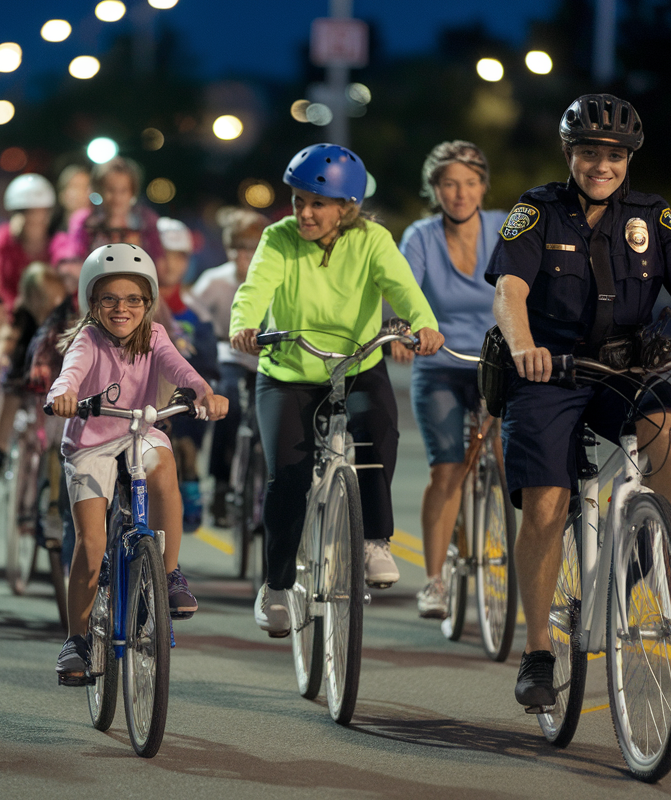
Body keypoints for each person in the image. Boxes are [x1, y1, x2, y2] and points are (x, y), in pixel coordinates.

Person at [486, 94, 671, 709]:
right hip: (548, 371)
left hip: (625, 367)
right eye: (587, 153)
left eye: (612, 155)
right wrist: (524, 347)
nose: (599, 165)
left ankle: (649, 545)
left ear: (627, 158)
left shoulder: (652, 216)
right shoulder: (536, 211)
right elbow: (509, 290)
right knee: (547, 507)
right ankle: (538, 653)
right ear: (569, 155)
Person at [230, 144, 443, 637]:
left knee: (380, 427)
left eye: (317, 203)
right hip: (287, 371)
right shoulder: (278, 238)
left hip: (355, 363)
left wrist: (424, 325)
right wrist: (244, 325)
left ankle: (374, 540)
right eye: (298, 200)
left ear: (346, 207)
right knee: (288, 475)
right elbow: (255, 288)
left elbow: (405, 289)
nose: (304, 212)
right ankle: (278, 587)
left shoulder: (372, 240)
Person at [47, 244, 227, 682]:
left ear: (148, 303)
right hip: (90, 442)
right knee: (90, 547)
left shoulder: (156, 335)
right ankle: (77, 639)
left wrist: (203, 392)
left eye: (133, 300)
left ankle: (169, 575)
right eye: (109, 299)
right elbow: (70, 372)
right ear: (92, 302)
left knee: (164, 463)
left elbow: (180, 369)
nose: (121, 308)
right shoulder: (88, 339)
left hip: (139, 433)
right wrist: (61, 396)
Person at [393, 141, 508, 619]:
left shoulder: (506, 227)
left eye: (469, 183)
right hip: (440, 363)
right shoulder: (420, 236)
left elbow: (530, 287)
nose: (459, 194)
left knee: (508, 463)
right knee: (447, 471)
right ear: (434, 190)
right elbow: (404, 290)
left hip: (497, 364)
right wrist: (402, 330)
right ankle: (436, 581)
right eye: (448, 184)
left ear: (483, 186)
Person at [191, 208, 268, 522]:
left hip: (264, 354)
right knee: (229, 405)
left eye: (252, 249)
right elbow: (195, 318)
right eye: (239, 249)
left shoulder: (273, 280)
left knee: (269, 416)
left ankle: (263, 488)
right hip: (228, 351)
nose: (245, 257)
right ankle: (221, 482)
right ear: (229, 250)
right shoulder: (215, 281)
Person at [0, 173, 61, 477]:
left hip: (48, 321)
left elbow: (63, 273)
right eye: (24, 211)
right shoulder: (1, 241)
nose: (32, 218)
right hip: (13, 322)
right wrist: (4, 330)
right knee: (9, 377)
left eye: (38, 211)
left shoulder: (56, 243)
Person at [155, 216, 218, 531]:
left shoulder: (196, 312)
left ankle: (191, 474)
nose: (169, 263)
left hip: (182, 405)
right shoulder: (133, 307)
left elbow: (208, 365)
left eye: (178, 255)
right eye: (162, 254)